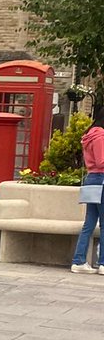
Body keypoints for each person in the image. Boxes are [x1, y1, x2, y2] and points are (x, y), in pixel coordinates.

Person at [71, 112, 104, 274]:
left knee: (89, 223)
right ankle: (103, 262)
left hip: (92, 179)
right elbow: (101, 161)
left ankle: (79, 261)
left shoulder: (90, 135)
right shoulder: (100, 136)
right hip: (101, 179)